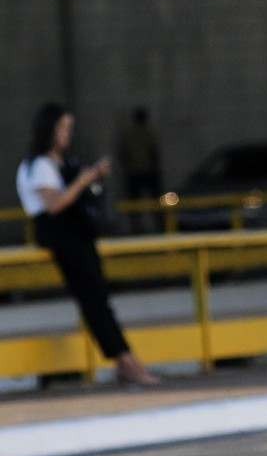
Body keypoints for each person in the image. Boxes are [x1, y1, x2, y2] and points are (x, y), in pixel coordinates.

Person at [15, 103, 160, 386]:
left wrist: (92, 178)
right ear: (49, 130)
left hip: (78, 233)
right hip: (61, 234)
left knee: (99, 299)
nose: (67, 134)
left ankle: (125, 360)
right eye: (63, 128)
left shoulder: (60, 162)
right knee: (94, 301)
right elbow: (55, 204)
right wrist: (83, 181)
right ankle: (126, 361)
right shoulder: (38, 165)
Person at [118, 106, 163, 233]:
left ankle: (136, 227)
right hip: (148, 171)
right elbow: (154, 152)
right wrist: (156, 168)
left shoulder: (128, 134)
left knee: (134, 202)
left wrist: (126, 167)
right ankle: (160, 225)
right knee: (156, 201)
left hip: (134, 172)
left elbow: (122, 153)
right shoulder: (149, 132)